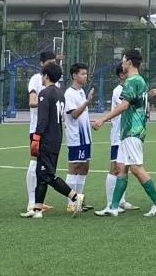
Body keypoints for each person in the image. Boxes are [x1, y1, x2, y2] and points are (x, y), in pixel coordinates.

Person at [92, 49, 156, 217]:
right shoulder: (139, 80)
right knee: (122, 168)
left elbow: (124, 105)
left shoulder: (132, 81)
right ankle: (113, 206)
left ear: (130, 62)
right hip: (129, 131)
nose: (122, 63)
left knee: (136, 168)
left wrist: (103, 119)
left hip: (133, 130)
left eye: (124, 60)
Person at [24, 62, 86, 219]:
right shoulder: (60, 93)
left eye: (42, 75)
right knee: (41, 174)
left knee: (47, 175)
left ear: (46, 75)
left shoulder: (44, 93)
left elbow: (43, 119)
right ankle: (37, 209)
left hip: (46, 139)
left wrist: (36, 137)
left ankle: (75, 196)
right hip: (56, 137)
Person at [98, 65, 139, 213]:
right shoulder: (118, 91)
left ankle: (121, 201)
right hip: (118, 136)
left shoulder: (128, 89)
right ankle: (110, 203)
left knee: (124, 168)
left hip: (127, 135)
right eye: (127, 72)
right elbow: (125, 106)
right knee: (115, 168)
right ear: (121, 75)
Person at [25, 50, 59, 214]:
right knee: (34, 162)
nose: (52, 65)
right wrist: (46, 102)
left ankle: (39, 202)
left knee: (43, 166)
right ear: (42, 64)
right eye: (49, 62)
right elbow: (32, 101)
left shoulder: (55, 83)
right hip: (37, 128)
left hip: (50, 130)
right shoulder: (36, 79)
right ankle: (31, 202)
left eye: (54, 62)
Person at [62, 63, 95, 213]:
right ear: (74, 76)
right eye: (83, 74)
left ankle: (79, 200)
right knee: (74, 166)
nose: (85, 76)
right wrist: (87, 102)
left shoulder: (81, 91)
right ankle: (71, 203)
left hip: (85, 137)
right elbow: (74, 114)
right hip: (76, 137)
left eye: (86, 74)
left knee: (84, 167)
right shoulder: (69, 93)